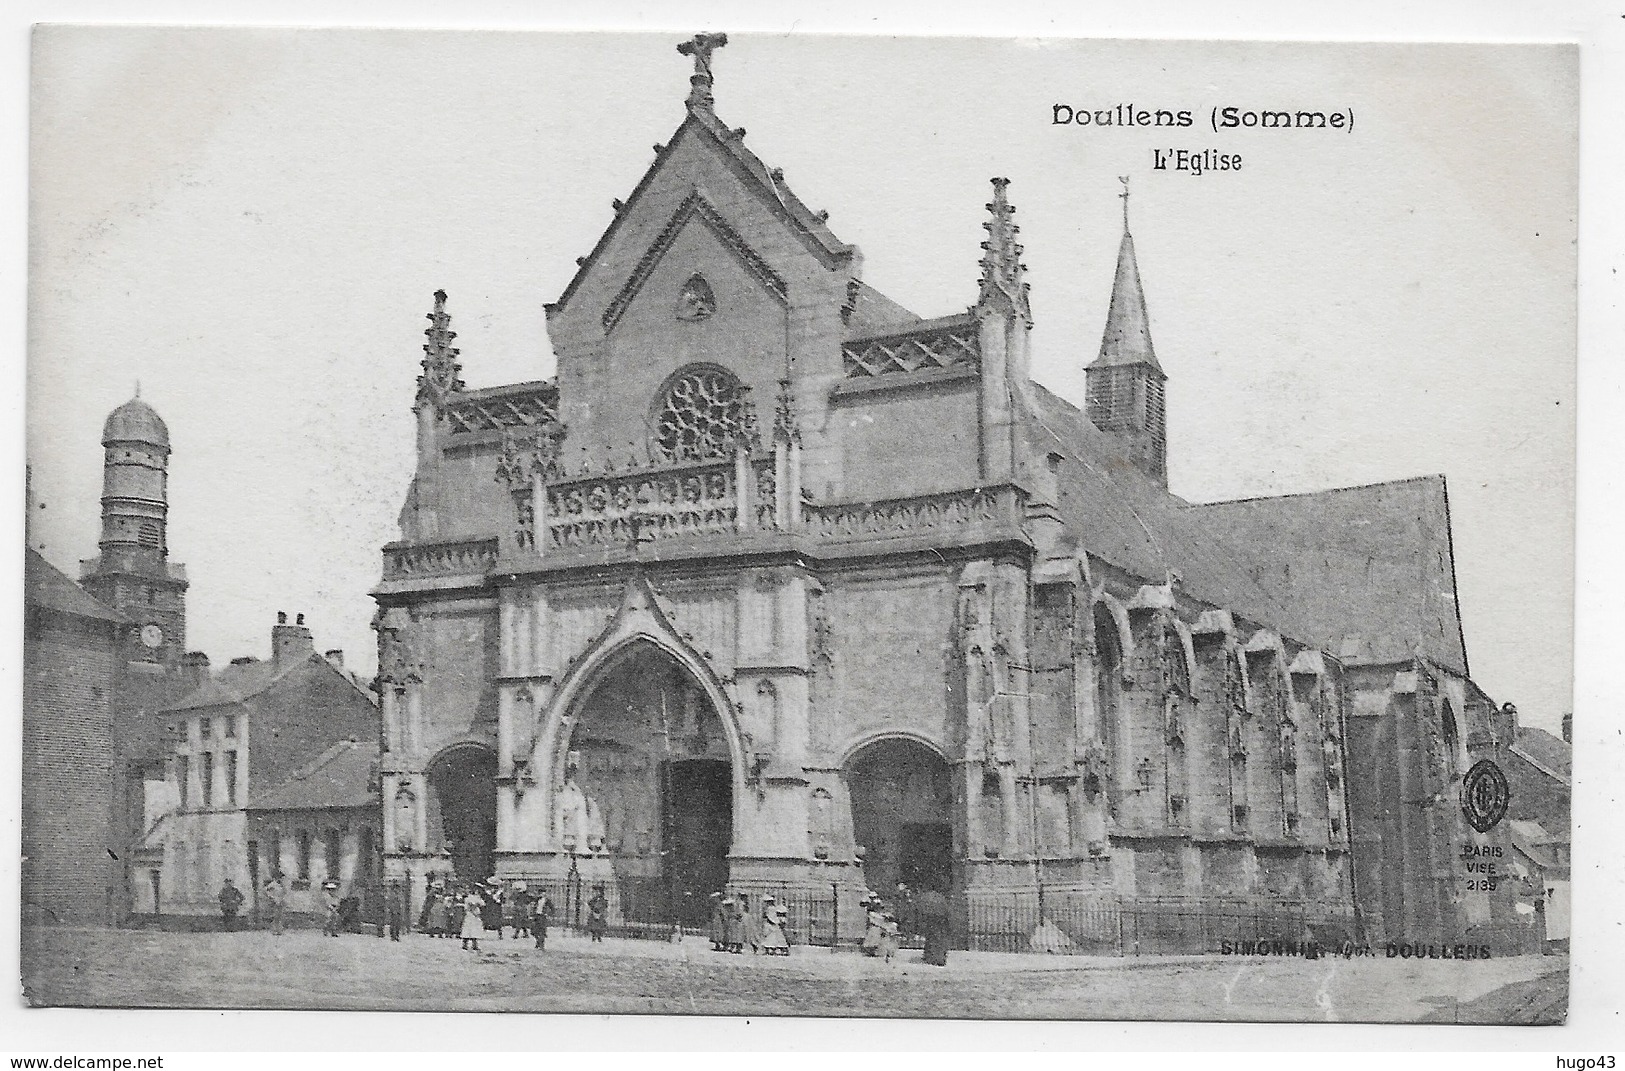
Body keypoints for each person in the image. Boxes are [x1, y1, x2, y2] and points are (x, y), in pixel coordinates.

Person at [917, 886, 950, 967]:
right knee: (938, 940)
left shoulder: (928, 898)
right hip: (939, 922)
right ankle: (938, 957)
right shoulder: (940, 899)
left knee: (932, 939)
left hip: (933, 922)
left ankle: (932, 957)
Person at [460, 885, 486, 951]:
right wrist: (472, 908)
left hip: (476, 915)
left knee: (475, 929)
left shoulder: (478, 897)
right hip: (470, 914)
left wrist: (477, 905)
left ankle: (474, 944)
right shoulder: (468, 898)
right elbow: (468, 907)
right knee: (468, 928)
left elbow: (482, 904)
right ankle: (465, 944)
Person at [262, 871, 288, 936]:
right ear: (276, 878)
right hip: (275, 901)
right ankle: (274, 930)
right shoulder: (273, 884)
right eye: (280, 877)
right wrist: (271, 897)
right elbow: (265, 891)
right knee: (275, 917)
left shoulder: (281, 885)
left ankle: (279, 930)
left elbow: (284, 892)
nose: (281, 879)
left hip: (280, 901)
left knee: (280, 916)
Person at [860, 892, 884, 957]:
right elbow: (862, 904)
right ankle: (871, 950)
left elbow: (880, 907)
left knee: (875, 933)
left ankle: (875, 950)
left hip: (876, 919)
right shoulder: (869, 904)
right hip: (871, 919)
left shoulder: (877, 902)